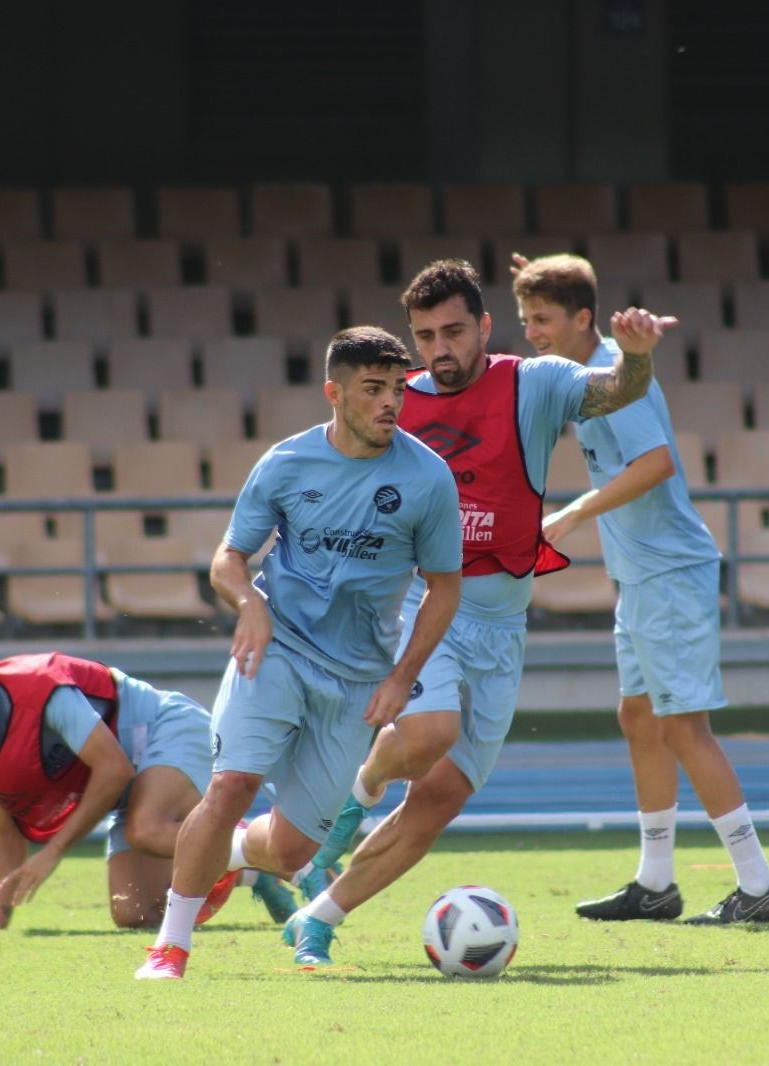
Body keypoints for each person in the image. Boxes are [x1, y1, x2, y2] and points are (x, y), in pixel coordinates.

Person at [281, 258, 672, 965]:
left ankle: (317, 918)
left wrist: (638, 359)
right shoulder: (389, 404)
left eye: (454, 331)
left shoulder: (535, 381)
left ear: (485, 327)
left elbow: (617, 389)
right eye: (425, 335)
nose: (440, 349)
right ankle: (355, 798)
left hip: (500, 626)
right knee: (430, 729)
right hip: (419, 603)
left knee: (438, 802)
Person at [135, 325, 463, 980]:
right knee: (231, 784)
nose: (389, 404)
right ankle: (169, 947)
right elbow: (227, 560)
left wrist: (404, 677)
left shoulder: (428, 479)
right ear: (333, 393)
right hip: (276, 649)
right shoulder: (285, 463)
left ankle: (229, 855)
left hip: (355, 681)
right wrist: (249, 605)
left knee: (289, 853)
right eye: (372, 390)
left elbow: (444, 589)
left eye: (397, 389)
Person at [513, 252, 769, 924]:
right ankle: (655, 884)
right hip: (642, 577)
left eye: (543, 318)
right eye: (524, 319)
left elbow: (658, 463)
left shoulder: (612, 376)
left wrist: (573, 513)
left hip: (668, 573)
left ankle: (758, 888)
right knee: (639, 720)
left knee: (683, 728)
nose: (531, 332)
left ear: (583, 318)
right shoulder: (588, 375)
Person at [0, 629, 294, 932]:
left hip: (165, 729)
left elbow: (114, 769)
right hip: (128, 792)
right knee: (133, 912)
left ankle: (284, 851)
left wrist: (51, 853)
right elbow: (5, 830)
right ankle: (251, 870)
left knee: (146, 829)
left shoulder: (39, 685)